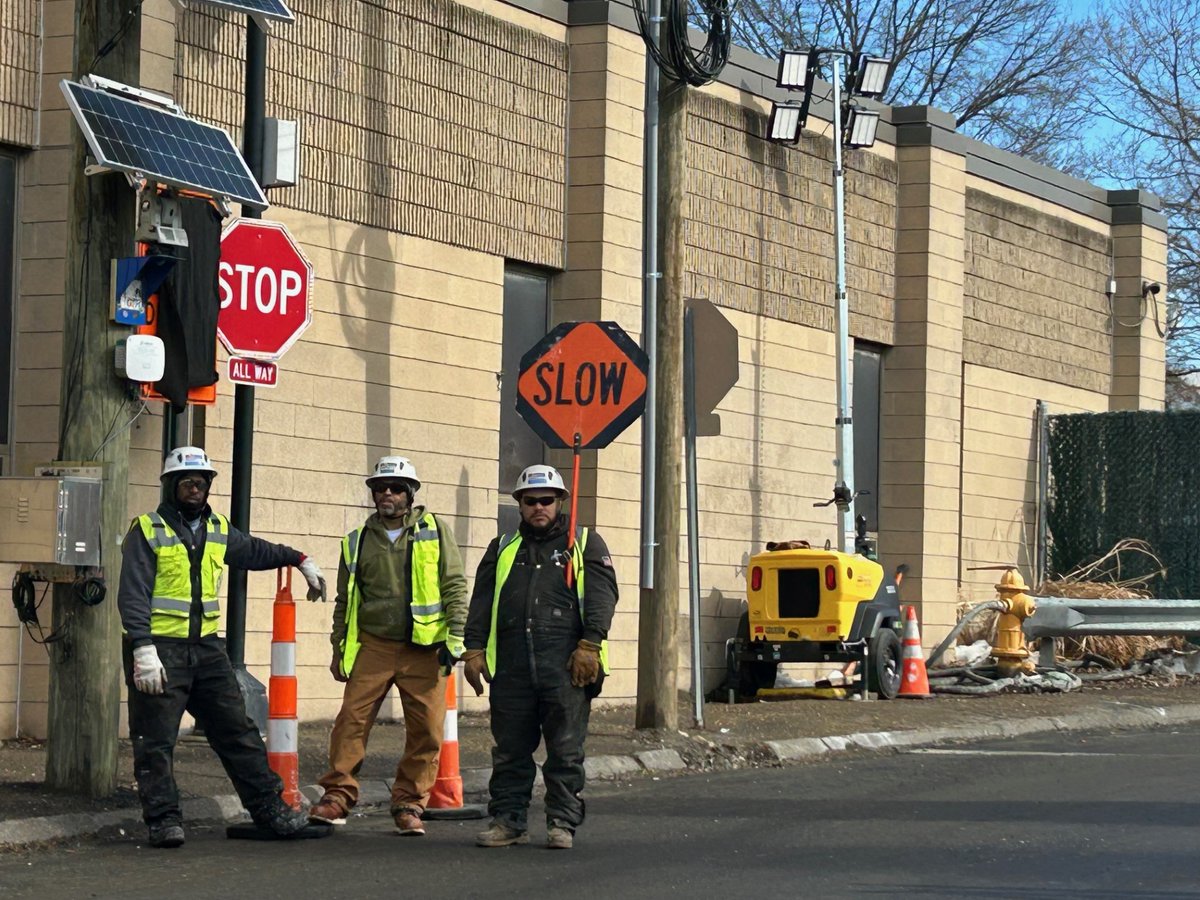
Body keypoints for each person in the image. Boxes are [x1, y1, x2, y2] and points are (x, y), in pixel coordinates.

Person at [118, 446, 328, 849]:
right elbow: (133, 593)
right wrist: (142, 648)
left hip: (207, 651)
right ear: (170, 486)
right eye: (187, 482)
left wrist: (298, 558)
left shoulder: (216, 528)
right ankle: (163, 821)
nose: (195, 488)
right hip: (161, 651)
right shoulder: (147, 529)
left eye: (201, 482)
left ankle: (270, 811)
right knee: (155, 742)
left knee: (238, 732)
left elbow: (253, 551)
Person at [309, 456, 468, 835]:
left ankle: (409, 804)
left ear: (410, 495)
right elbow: (346, 602)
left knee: (427, 731)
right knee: (351, 721)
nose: (387, 494)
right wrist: (338, 648)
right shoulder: (356, 541)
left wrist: (456, 638)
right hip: (374, 645)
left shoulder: (435, 531)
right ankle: (337, 796)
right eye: (380, 488)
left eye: (396, 488)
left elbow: (455, 585)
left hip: (424, 648)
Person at [463, 464, 619, 850]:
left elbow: (602, 596)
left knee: (565, 751)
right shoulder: (502, 548)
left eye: (546, 500)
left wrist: (590, 645)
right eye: (530, 500)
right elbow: (482, 600)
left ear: (560, 501)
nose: (539, 507)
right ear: (519, 504)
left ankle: (561, 822)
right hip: (512, 667)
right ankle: (508, 821)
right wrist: (474, 649)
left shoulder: (584, 543)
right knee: (510, 751)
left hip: (566, 666)